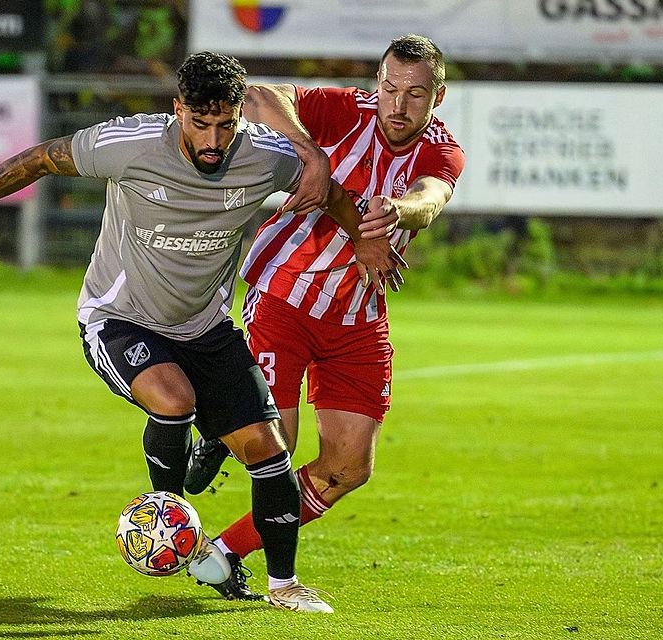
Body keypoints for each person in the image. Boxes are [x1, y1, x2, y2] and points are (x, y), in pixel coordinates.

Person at [0, 51, 403, 614]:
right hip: (119, 318)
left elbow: (330, 194)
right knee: (173, 398)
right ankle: (167, 512)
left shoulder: (265, 157)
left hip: (206, 326)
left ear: (241, 117)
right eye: (200, 122)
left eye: (227, 124)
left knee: (269, 452)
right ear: (177, 109)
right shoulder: (130, 144)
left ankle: (283, 584)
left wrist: (364, 236)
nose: (214, 140)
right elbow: (41, 158)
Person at [184, 35, 466, 593]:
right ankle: (222, 424)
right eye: (389, 87)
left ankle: (221, 552)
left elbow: (431, 199)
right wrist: (308, 151)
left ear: (438, 95)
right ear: (377, 84)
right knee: (274, 450)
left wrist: (392, 214)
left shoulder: (442, 149)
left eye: (414, 93)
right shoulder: (345, 109)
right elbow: (261, 94)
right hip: (284, 297)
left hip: (358, 319)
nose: (398, 104)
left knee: (348, 467)